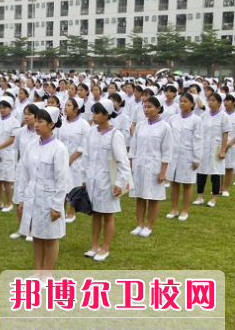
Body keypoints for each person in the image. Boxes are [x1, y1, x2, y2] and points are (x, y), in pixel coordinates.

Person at [18, 106, 70, 284]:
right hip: (33, 196)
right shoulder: (32, 146)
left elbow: (61, 179)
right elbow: (24, 173)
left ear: (51, 124)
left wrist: (57, 205)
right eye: (37, 120)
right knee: (37, 235)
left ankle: (47, 273)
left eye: (41, 121)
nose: (37, 124)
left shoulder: (59, 149)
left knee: (50, 237)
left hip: (49, 197)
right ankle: (38, 270)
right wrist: (22, 198)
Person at [81, 99, 132, 261]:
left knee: (108, 215)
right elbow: (86, 157)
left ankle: (105, 247)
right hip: (93, 180)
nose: (94, 115)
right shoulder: (91, 132)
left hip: (108, 182)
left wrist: (119, 182)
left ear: (107, 115)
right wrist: (84, 177)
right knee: (95, 213)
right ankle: (94, 245)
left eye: (97, 112)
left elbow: (123, 162)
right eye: (93, 112)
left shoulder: (115, 135)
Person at [129, 96, 173, 237]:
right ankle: (139, 224)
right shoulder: (140, 126)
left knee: (153, 198)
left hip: (155, 166)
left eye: (149, 107)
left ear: (158, 108)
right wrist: (131, 166)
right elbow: (133, 148)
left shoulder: (165, 128)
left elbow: (167, 151)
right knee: (140, 196)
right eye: (145, 107)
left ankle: (149, 225)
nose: (146, 110)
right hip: (140, 165)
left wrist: (163, 172)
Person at [166, 93, 201, 221]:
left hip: (188, 155)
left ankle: (185, 210)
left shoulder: (197, 120)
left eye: (185, 101)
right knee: (174, 182)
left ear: (192, 104)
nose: (182, 103)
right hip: (174, 155)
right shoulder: (173, 119)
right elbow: (168, 138)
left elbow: (198, 140)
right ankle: (174, 209)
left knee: (187, 183)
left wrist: (197, 158)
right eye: (181, 101)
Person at [194, 92, 231, 207]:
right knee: (201, 172)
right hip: (204, 147)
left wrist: (223, 150)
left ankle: (214, 198)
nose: (210, 102)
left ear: (219, 103)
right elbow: (199, 132)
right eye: (209, 100)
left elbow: (225, 134)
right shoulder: (203, 116)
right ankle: (199, 197)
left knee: (215, 173)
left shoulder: (224, 116)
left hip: (216, 147)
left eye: (213, 100)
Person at [57, 98, 90, 223]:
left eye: (69, 106)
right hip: (63, 158)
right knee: (62, 184)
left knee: (74, 186)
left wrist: (72, 158)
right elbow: (58, 139)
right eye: (65, 105)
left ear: (76, 109)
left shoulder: (83, 124)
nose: (65, 108)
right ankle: (62, 211)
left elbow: (84, 143)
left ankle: (72, 212)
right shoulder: (62, 123)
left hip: (77, 161)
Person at [10, 104, 40, 240]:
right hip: (21, 167)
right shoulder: (20, 132)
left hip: (34, 169)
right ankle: (22, 228)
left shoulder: (39, 133)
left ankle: (32, 229)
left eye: (30, 114)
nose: (26, 117)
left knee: (32, 198)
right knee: (19, 197)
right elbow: (17, 150)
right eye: (25, 114)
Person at [0, 97, 17, 212]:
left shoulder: (14, 121)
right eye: (0, 107)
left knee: (6, 179)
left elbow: (12, 139)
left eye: (5, 107)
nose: (2, 110)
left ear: (10, 108)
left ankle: (8, 203)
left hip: (7, 153)